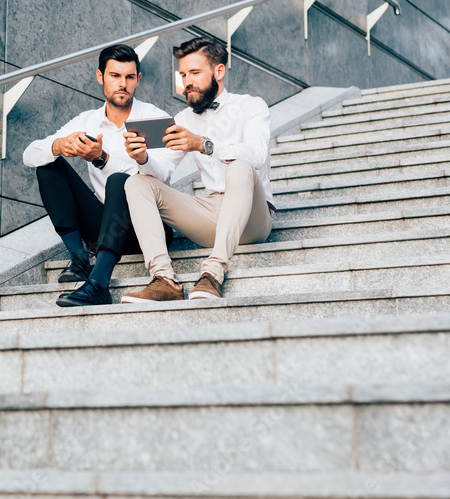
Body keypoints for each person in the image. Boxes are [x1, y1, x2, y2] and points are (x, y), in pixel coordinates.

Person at [122, 36, 274, 302]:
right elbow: (162, 171)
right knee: (136, 182)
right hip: (211, 214)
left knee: (240, 166)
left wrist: (204, 144)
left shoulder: (251, 106)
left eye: (194, 72)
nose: (187, 82)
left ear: (219, 71)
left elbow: (257, 155)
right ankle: (164, 280)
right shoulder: (182, 119)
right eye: (182, 74)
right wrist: (143, 158)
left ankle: (213, 273)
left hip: (252, 216)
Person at [23, 43, 173, 307]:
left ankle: (99, 284)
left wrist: (102, 159)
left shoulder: (156, 118)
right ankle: (79, 259)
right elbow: (29, 154)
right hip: (103, 226)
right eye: (115, 76)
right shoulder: (87, 121)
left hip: (145, 229)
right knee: (49, 164)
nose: (122, 84)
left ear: (138, 79)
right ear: (100, 77)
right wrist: (59, 146)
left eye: (129, 77)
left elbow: (159, 178)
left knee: (120, 180)